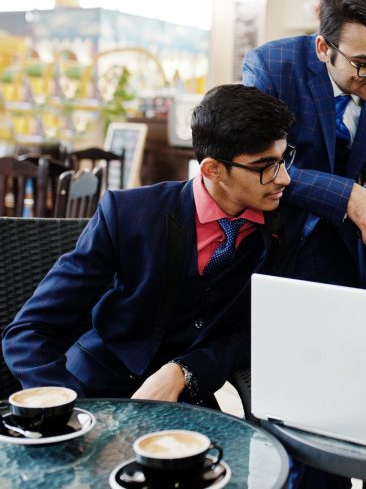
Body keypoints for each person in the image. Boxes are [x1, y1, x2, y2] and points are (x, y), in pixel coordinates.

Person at [2, 84, 296, 405]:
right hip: (94, 386)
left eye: (283, 160)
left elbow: (254, 332)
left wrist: (183, 371)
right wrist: (70, 408)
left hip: (185, 398)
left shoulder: (279, 229)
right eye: (263, 166)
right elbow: (31, 330)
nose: (284, 178)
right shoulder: (127, 213)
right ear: (212, 169)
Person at [243, 0, 366, 292]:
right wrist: (346, 195)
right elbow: (258, 166)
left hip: (346, 252)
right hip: (272, 243)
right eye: (364, 64)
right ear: (323, 48)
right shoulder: (273, 66)